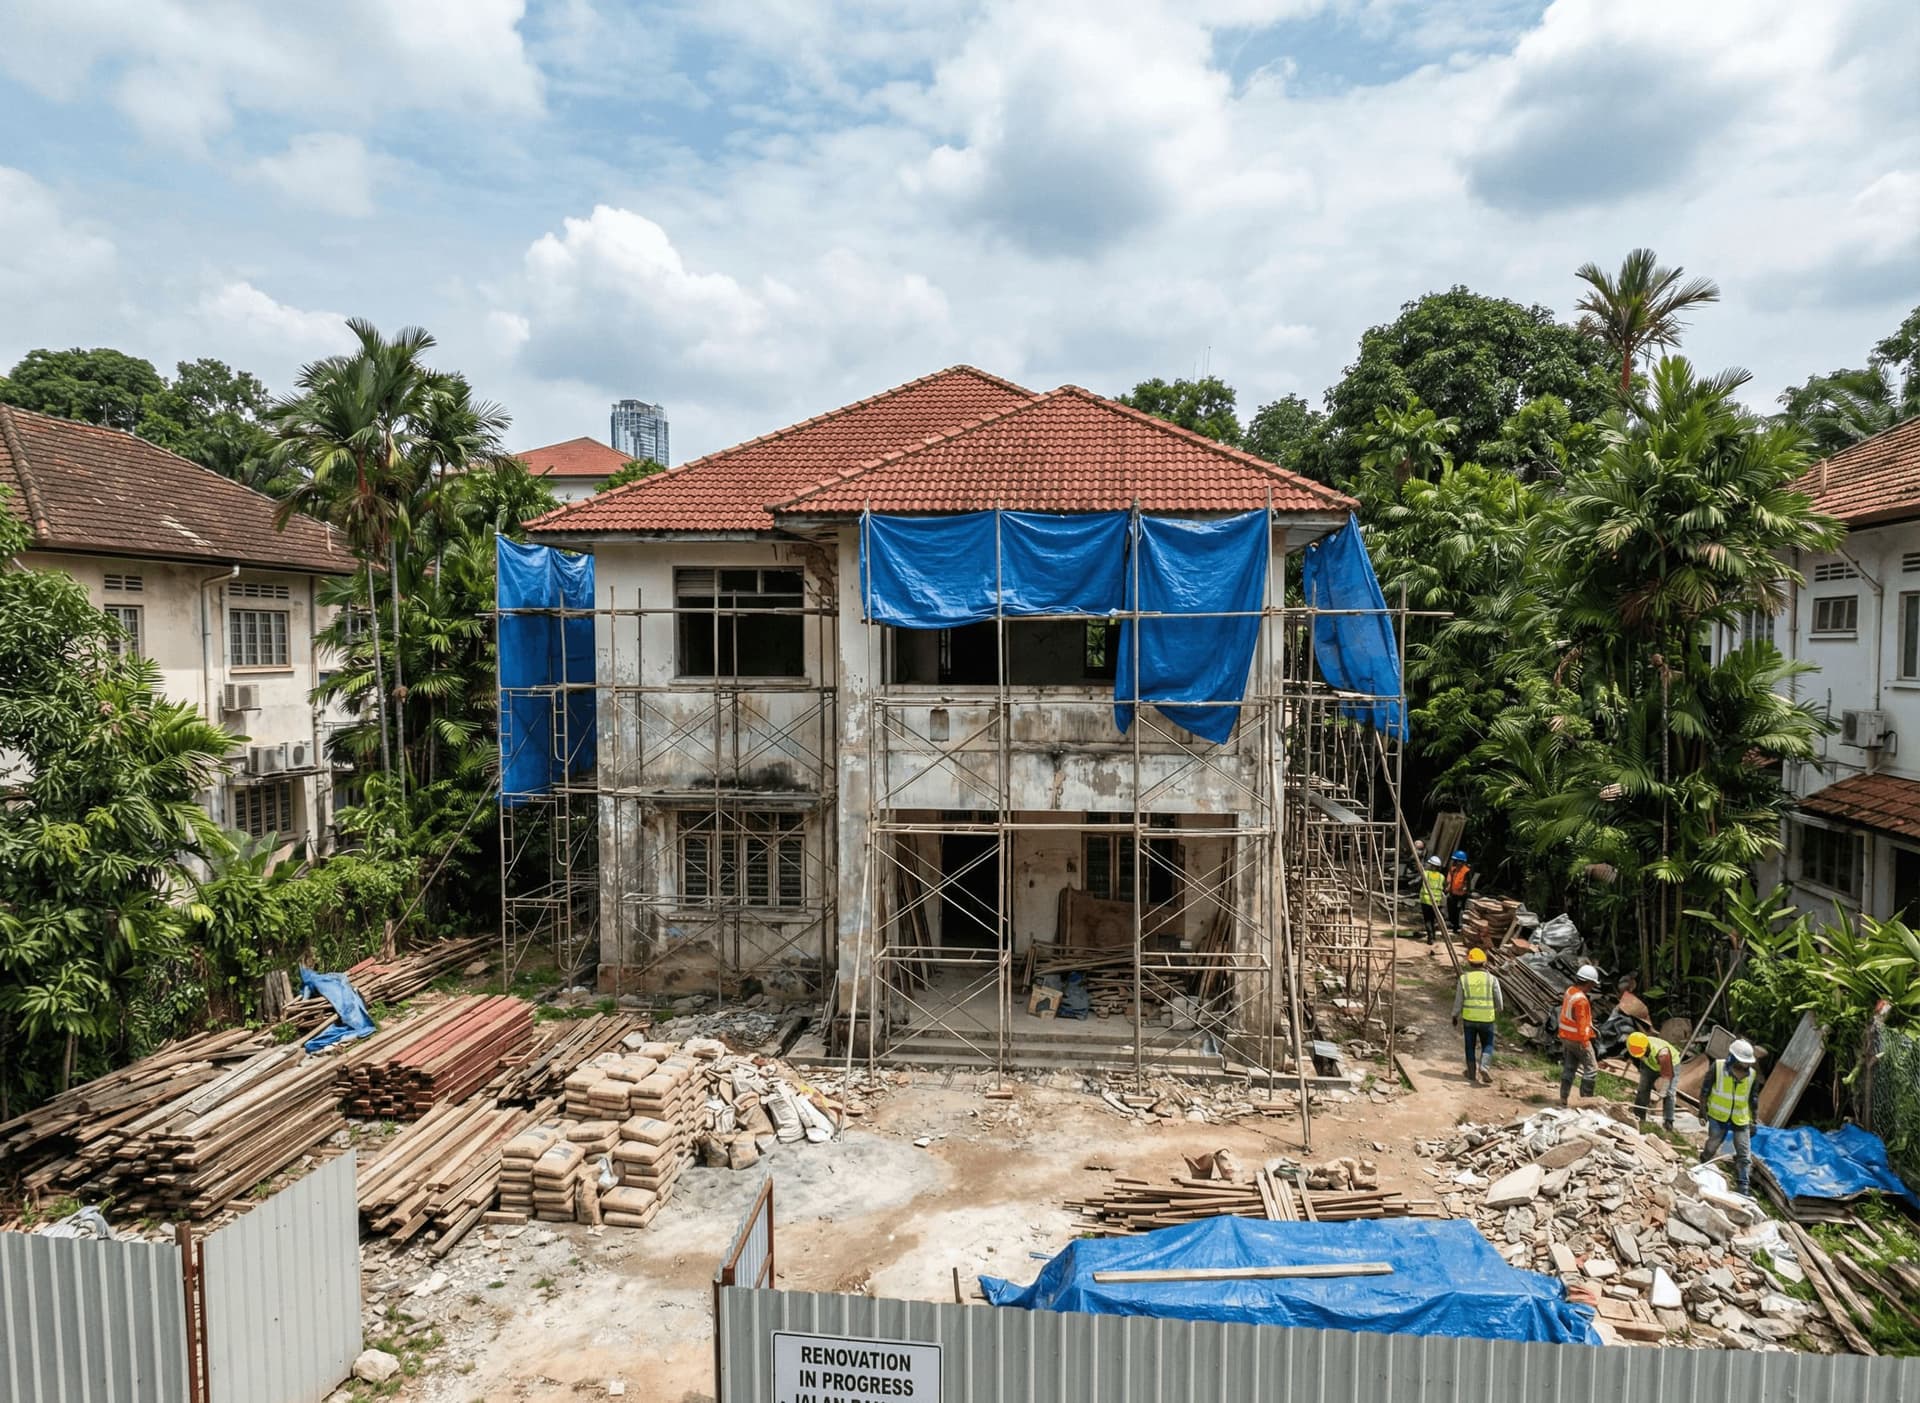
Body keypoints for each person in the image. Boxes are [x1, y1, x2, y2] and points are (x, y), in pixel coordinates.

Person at [1700, 1038, 1761, 1194]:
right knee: (1712, 1145)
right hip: (1718, 1116)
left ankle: (1743, 1185)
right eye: (1743, 1061)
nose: (1746, 1065)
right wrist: (1702, 1110)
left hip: (1741, 1119)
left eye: (1748, 1062)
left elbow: (1753, 1099)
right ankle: (1703, 1162)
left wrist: (1754, 1119)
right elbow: (1705, 1089)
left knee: (1743, 1152)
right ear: (1732, 1057)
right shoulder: (1718, 1067)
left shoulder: (1752, 1075)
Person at [1451, 947, 1503, 1084]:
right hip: (1487, 1019)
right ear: (1484, 963)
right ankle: (1484, 1067)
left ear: (1469, 963)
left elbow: (1459, 1000)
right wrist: (1499, 1009)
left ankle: (1471, 1073)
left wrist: (1455, 1015)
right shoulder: (1492, 979)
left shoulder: (1464, 979)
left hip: (1469, 1019)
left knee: (1470, 1046)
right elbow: (1499, 1000)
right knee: (1488, 1044)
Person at [1557, 964, 1599, 1105]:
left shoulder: (1570, 991)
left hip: (1566, 1036)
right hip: (1578, 1039)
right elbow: (1581, 1023)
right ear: (1588, 983)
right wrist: (1585, 1042)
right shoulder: (1581, 1000)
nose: (1592, 987)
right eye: (1592, 984)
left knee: (1570, 1066)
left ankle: (1563, 1097)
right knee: (1591, 1069)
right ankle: (1586, 1102)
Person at [1627, 1030, 1679, 1131]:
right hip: (1650, 1064)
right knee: (1643, 1088)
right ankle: (1639, 1115)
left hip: (1670, 1064)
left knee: (1669, 1093)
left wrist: (1661, 1094)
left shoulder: (1663, 1054)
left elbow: (1667, 1077)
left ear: (1646, 1048)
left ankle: (1668, 1122)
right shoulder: (1634, 1044)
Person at [1419, 856, 1446, 943]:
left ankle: (1430, 937)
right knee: (1433, 919)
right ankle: (1433, 936)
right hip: (1436, 901)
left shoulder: (1426, 873)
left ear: (1431, 865)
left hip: (1426, 900)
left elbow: (1419, 881)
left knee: (1427, 919)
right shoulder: (1441, 877)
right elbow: (1443, 887)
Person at [1445, 849, 1473, 929]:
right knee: (1451, 908)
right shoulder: (1453, 869)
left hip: (1462, 895)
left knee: (1459, 910)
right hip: (1453, 893)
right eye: (1456, 861)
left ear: (1463, 862)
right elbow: (1450, 880)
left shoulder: (1466, 871)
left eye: (1460, 861)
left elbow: (1468, 882)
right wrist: (1448, 887)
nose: (1458, 863)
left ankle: (1458, 926)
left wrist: (1466, 890)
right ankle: (1452, 923)